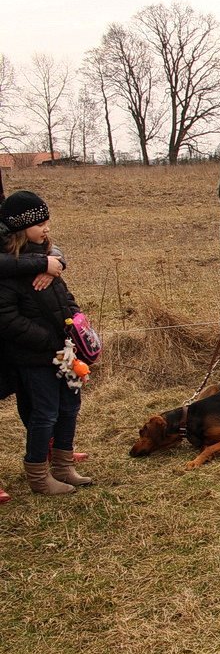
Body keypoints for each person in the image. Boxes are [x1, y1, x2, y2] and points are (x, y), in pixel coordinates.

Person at [0, 191, 92, 496]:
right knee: (45, 413)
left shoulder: (51, 261)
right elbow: (7, 317)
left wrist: (77, 320)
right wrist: (47, 340)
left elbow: (65, 298)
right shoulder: (10, 270)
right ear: (19, 228)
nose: (46, 227)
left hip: (65, 352)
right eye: (38, 223)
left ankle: (64, 466)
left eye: (47, 221)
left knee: (70, 405)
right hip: (35, 357)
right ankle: (38, 475)